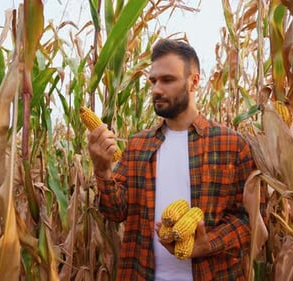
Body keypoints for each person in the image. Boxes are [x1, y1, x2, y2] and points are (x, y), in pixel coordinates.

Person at [86, 39, 255, 281]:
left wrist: (208, 244)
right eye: (153, 81)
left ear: (193, 82)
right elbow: (116, 212)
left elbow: (248, 218)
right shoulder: (138, 145)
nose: (156, 89)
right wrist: (103, 171)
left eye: (167, 80)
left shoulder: (230, 145)